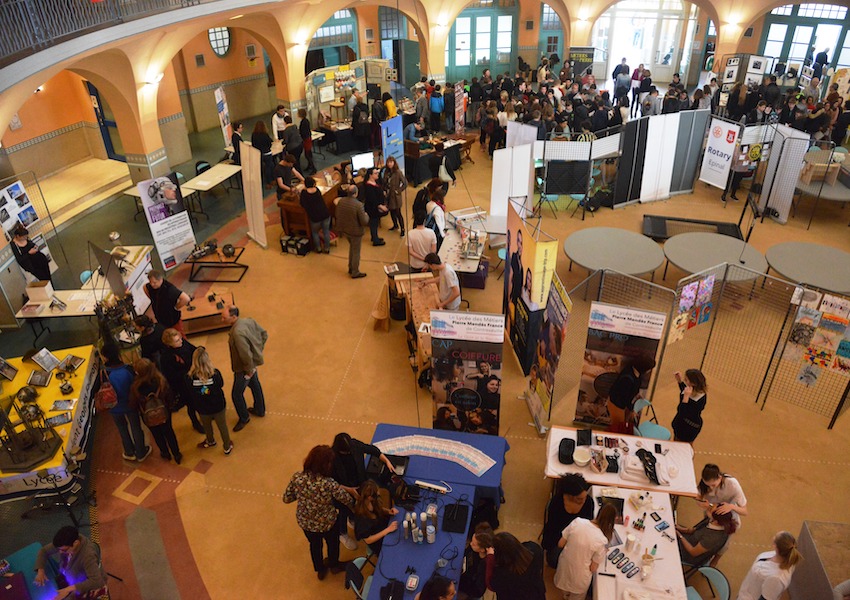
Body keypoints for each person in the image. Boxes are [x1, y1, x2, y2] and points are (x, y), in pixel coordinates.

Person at [283, 445, 354, 580]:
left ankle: (320, 569)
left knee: (315, 546)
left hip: (306, 523)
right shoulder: (328, 483)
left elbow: (286, 498)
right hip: (328, 523)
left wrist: (303, 496)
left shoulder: (297, 478)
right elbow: (346, 499)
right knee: (333, 544)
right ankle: (334, 564)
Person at [554, 502, 617, 600]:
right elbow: (593, 568)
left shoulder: (577, 521)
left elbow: (560, 543)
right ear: (611, 522)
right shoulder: (602, 540)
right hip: (579, 579)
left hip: (564, 569)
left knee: (565, 591)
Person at [102, 342, 151, 462]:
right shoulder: (128, 369)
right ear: (118, 354)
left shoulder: (104, 373)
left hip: (114, 407)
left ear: (105, 357)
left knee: (122, 429)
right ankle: (141, 452)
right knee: (136, 427)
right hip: (130, 404)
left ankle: (129, 452)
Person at [221, 304, 267, 431]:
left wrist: (249, 370)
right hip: (252, 365)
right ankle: (260, 409)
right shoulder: (249, 321)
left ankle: (244, 417)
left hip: (244, 369)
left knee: (236, 394)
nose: (222, 320)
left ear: (234, 317)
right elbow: (264, 334)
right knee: (255, 385)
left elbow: (245, 355)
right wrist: (257, 352)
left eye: (224, 317)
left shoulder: (237, 334)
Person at [131, 357, 182, 463]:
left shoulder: (136, 387)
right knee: (169, 432)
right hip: (164, 412)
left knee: (157, 434)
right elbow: (169, 396)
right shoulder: (161, 381)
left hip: (148, 415)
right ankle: (176, 454)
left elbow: (133, 403)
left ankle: (165, 453)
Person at [34, 526, 107, 599]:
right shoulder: (66, 541)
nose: (60, 552)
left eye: (64, 550)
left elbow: (97, 581)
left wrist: (69, 589)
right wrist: (40, 570)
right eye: (59, 549)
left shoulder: (87, 556)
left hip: (86, 585)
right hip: (72, 578)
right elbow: (44, 551)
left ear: (76, 543)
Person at [542, 473, 595, 568]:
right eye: (579, 499)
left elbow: (587, 525)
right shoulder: (557, 502)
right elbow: (552, 529)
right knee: (555, 560)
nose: (583, 501)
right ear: (569, 496)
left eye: (585, 497)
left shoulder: (588, 503)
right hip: (558, 539)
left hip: (579, 539)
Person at [187, 346, 233, 455]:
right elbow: (221, 385)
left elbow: (191, 391)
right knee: (222, 427)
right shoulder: (215, 374)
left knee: (207, 426)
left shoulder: (190, 378)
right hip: (218, 406)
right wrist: (207, 390)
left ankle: (210, 441)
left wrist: (202, 391)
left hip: (202, 408)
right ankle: (227, 446)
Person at [160, 327, 203, 433]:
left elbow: (194, 350)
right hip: (183, 385)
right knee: (191, 404)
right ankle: (195, 422)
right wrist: (188, 372)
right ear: (169, 344)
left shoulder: (183, 344)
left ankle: (204, 415)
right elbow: (170, 375)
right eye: (177, 341)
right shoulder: (166, 357)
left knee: (200, 397)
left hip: (195, 377)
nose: (181, 341)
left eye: (180, 339)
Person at [737, 531, 801, 600]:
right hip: (746, 591)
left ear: (775, 546)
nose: (773, 537)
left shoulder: (776, 579)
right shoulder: (779, 555)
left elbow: (766, 598)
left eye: (775, 536)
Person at [484, 532, 545, 600]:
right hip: (536, 594)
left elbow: (491, 585)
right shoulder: (534, 549)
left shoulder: (502, 574)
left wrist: (490, 557)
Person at [607, 355, 656, 434]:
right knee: (618, 428)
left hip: (623, 403)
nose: (650, 371)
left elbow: (632, 390)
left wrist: (636, 396)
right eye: (649, 369)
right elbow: (625, 398)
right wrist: (632, 409)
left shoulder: (634, 371)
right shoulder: (628, 378)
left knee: (623, 424)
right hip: (617, 404)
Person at [352, 479, 399, 555]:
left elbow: (378, 509)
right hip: (379, 541)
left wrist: (388, 511)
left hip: (383, 526)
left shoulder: (371, 502)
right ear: (370, 497)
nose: (379, 493)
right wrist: (387, 530)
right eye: (376, 494)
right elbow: (368, 540)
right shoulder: (362, 518)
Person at [335, 185, 369, 278]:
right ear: (356, 193)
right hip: (356, 232)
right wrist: (366, 215)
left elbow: (338, 214)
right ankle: (355, 271)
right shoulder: (359, 205)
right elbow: (364, 221)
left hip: (345, 230)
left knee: (352, 249)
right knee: (356, 252)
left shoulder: (341, 201)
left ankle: (351, 267)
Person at [458, 523, 493, 600]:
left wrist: (459, 581)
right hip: (465, 576)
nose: (470, 544)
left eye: (474, 544)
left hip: (471, 589)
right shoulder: (473, 549)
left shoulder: (484, 566)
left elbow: (478, 591)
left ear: (482, 549)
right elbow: (465, 553)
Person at [672, 368, 708, 442]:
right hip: (680, 424)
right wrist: (680, 381)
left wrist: (686, 397)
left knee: (683, 446)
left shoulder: (700, 398)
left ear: (693, 383)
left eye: (686, 380)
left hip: (688, 427)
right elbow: (684, 390)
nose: (685, 381)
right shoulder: (689, 390)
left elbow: (683, 412)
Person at [300, 177, 332, 253]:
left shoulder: (304, 193)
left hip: (315, 217)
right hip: (325, 214)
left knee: (315, 233)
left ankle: (318, 248)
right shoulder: (317, 190)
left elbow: (302, 204)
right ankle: (327, 248)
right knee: (326, 231)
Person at [381, 156, 406, 237]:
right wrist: (384, 190)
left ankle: (402, 229)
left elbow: (405, 183)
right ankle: (395, 225)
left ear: (394, 163)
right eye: (388, 162)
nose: (389, 164)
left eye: (391, 162)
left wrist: (398, 190)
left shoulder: (398, 172)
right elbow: (384, 182)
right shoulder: (386, 172)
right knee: (391, 212)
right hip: (388, 195)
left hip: (395, 196)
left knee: (398, 213)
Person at [363, 167, 388, 246]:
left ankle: (375, 236)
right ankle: (375, 240)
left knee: (375, 223)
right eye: (375, 173)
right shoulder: (368, 186)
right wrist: (381, 206)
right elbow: (373, 200)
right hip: (373, 209)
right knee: (373, 223)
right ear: (370, 175)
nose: (377, 174)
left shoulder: (375, 182)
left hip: (375, 208)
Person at [251, 120, 275, 186]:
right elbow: (269, 143)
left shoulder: (254, 135)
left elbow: (253, 145)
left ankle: (260, 180)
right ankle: (269, 181)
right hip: (267, 153)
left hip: (259, 154)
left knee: (261, 167)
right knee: (269, 167)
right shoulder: (265, 135)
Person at [296, 108, 317, 174]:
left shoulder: (303, 122)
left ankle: (313, 168)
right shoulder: (306, 121)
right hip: (308, 138)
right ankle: (310, 166)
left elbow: (303, 132)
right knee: (308, 153)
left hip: (306, 139)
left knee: (307, 154)